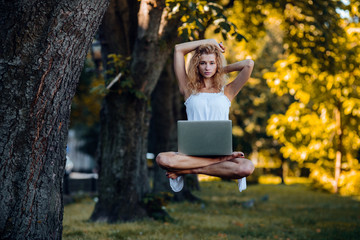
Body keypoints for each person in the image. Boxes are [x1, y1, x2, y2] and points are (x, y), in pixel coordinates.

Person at [156, 39, 255, 192]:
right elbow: (178, 49)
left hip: (208, 156)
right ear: (197, 65)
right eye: (202, 63)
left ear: (217, 65)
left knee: (247, 167)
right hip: (191, 155)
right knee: (162, 159)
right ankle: (218, 161)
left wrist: (221, 69)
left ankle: (188, 171)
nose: (207, 67)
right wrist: (210, 41)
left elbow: (249, 64)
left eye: (211, 63)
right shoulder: (188, 89)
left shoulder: (227, 91)